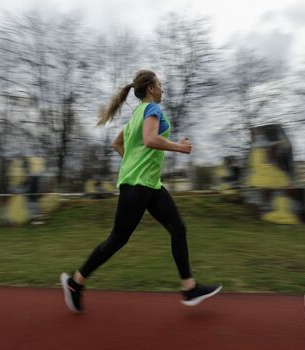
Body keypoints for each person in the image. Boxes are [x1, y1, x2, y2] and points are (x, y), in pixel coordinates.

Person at [60, 70, 222, 313]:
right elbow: (149, 140)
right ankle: (75, 283)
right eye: (160, 84)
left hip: (151, 186)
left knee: (178, 229)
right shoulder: (152, 110)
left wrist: (133, 163)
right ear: (150, 89)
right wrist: (179, 147)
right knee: (117, 240)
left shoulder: (136, 114)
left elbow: (117, 144)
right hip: (137, 186)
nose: (162, 88)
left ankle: (189, 288)